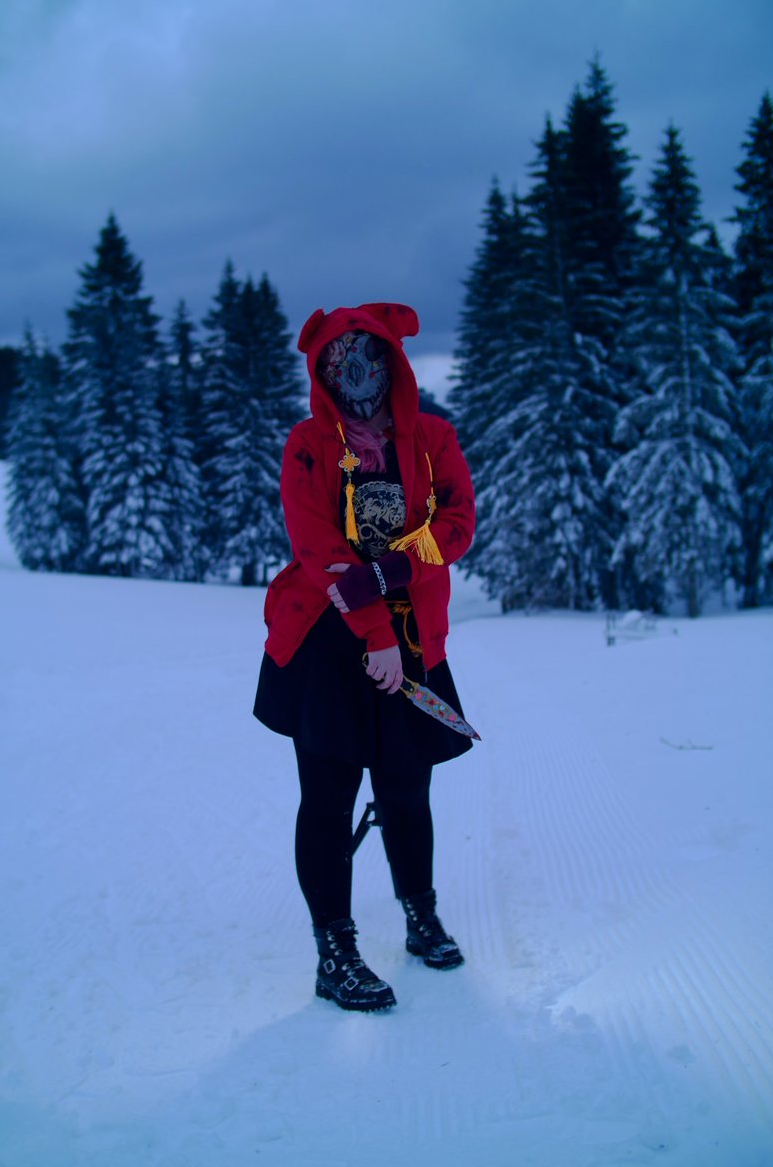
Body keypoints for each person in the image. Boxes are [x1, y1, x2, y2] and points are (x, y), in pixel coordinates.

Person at [253, 302, 476, 1012]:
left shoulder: (432, 439)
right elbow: (317, 546)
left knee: (407, 790)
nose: (355, 372)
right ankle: (335, 951)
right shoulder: (307, 444)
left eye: (368, 356)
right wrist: (373, 627)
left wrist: (392, 571)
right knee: (328, 798)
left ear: (392, 361)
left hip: (412, 641)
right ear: (320, 373)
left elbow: (457, 523)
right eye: (337, 361)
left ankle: (419, 915)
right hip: (329, 642)